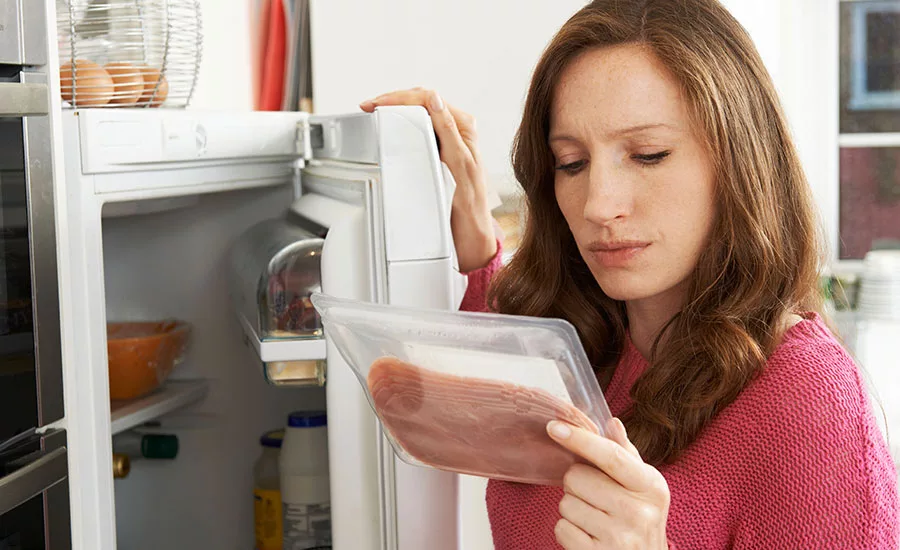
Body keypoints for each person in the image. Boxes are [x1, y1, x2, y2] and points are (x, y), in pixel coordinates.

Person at [360, 0, 900, 548]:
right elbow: (463, 402)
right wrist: (470, 221)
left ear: (740, 162)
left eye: (647, 154)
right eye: (571, 163)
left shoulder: (807, 401)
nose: (599, 204)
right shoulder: (579, 343)